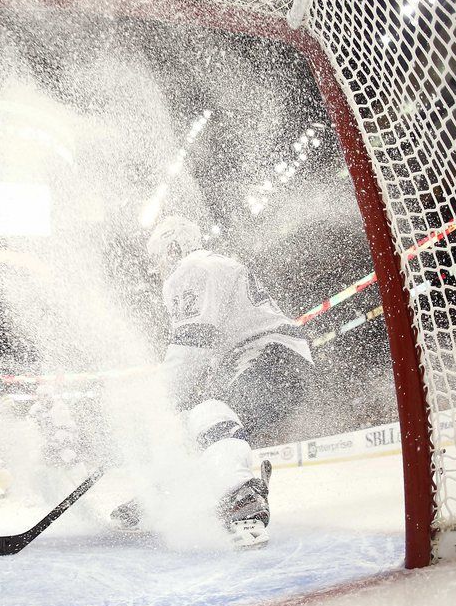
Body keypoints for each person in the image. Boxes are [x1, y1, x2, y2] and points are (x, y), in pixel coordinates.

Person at [112, 215, 313, 546]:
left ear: (173, 248)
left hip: (270, 355)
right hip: (280, 359)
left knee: (207, 411)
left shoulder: (190, 270)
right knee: (195, 429)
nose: (157, 266)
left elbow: (191, 347)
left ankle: (242, 495)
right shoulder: (212, 266)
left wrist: (153, 404)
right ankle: (165, 496)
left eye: (159, 256)